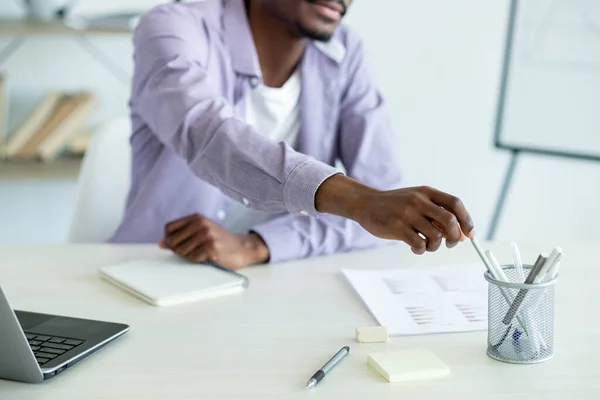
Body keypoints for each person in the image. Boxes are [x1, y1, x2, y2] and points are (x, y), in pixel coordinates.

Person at [109, 0, 475, 269]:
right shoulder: (172, 27)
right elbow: (209, 136)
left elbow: (380, 204)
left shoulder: (345, 54)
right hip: (155, 270)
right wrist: (359, 202)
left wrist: (257, 246)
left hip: (280, 277)